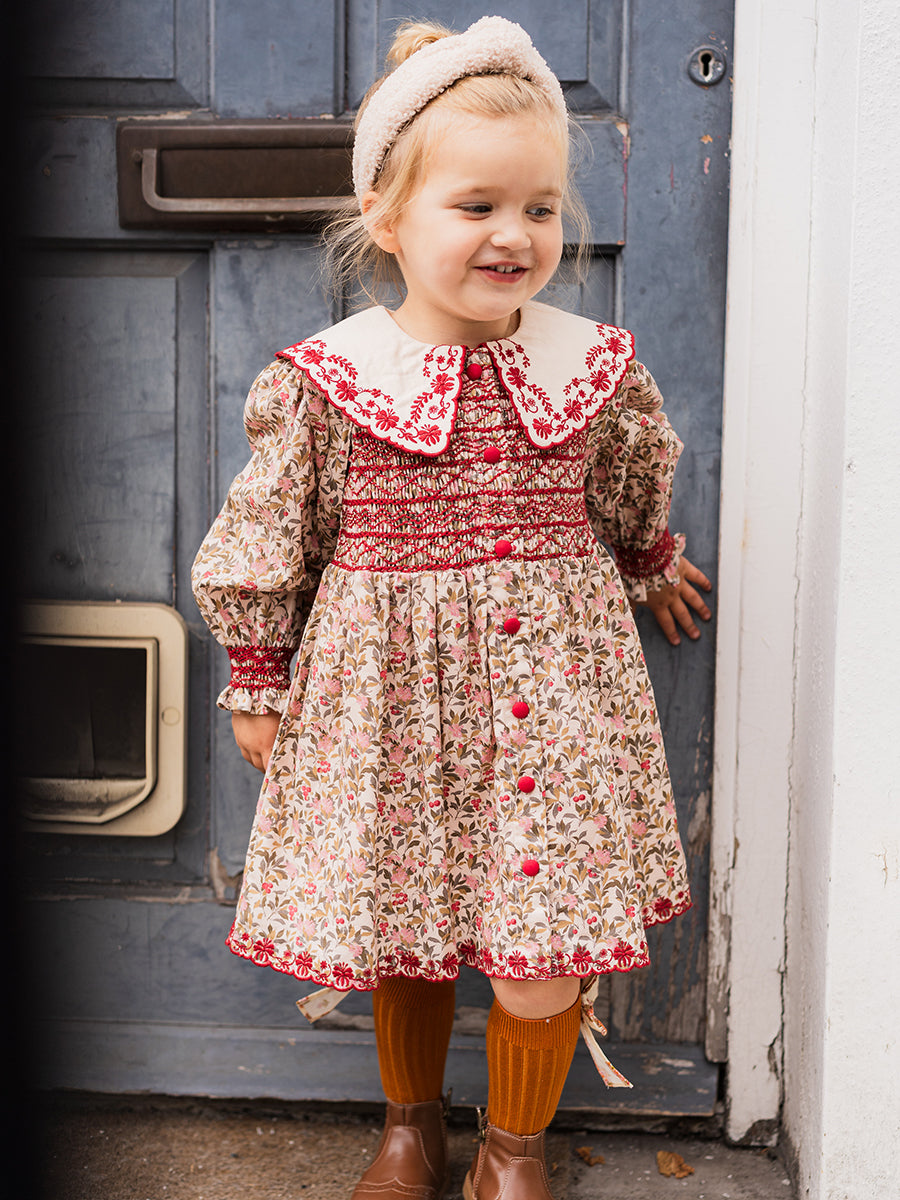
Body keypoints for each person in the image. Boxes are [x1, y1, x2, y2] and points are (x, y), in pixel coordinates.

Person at [192, 15, 712, 1200]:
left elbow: (629, 483)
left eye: (539, 208)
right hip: (389, 701)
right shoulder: (330, 382)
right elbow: (271, 537)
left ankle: (514, 1153)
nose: (512, 233)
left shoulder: (594, 368)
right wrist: (258, 674)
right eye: (476, 205)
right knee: (407, 925)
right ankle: (410, 1130)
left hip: (555, 704)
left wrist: (649, 558)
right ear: (388, 218)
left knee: (543, 946)